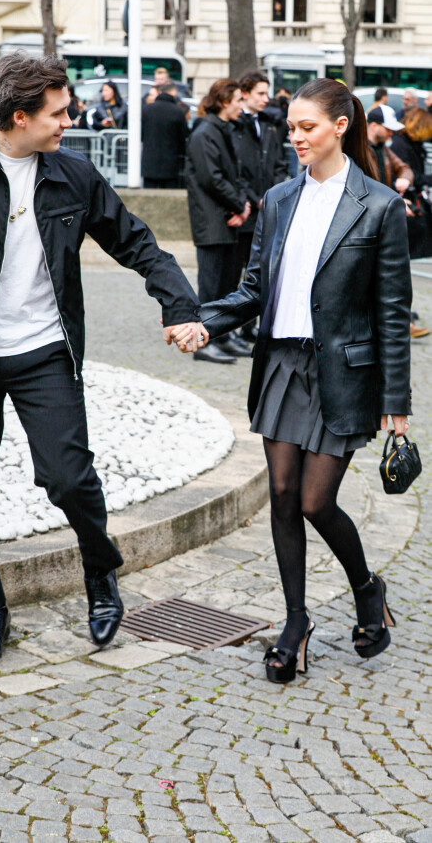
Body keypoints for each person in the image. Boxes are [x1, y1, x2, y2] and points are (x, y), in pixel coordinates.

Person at [0, 52, 207, 668]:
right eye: (56, 113)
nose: (68, 120)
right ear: (18, 117)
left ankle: (100, 573)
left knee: (69, 477)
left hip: (44, 354)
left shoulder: (73, 175)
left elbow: (136, 242)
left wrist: (180, 307)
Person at [171, 78, 411, 681]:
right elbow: (255, 287)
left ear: (338, 126)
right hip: (281, 362)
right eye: (290, 126)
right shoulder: (279, 199)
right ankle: (296, 621)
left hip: (341, 371)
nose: (295, 136)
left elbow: (390, 312)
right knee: (280, 495)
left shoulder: (378, 206)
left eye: (307, 126)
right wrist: (204, 321)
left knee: (314, 501)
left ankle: (367, 588)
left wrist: (396, 405)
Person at [185, 78, 251, 364]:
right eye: (238, 100)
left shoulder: (222, 130)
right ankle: (202, 343)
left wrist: (239, 207)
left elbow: (230, 175)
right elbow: (211, 179)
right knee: (210, 288)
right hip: (212, 221)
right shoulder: (205, 133)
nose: (242, 105)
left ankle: (220, 337)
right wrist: (239, 205)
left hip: (224, 220)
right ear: (224, 102)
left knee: (226, 285)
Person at [231, 69, 288, 350]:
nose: (266, 99)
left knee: (260, 270)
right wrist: (256, 198)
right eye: (261, 94)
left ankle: (249, 328)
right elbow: (237, 169)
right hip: (246, 209)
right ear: (245, 94)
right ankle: (235, 328)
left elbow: (278, 162)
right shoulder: (236, 126)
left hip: (267, 207)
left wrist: (274, 193)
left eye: (267, 93)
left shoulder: (268, 125)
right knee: (240, 270)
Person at [391, 108, 432, 323]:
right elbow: (403, 174)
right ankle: (401, 314)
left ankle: (404, 312)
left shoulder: (408, 144)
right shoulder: (400, 145)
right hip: (403, 205)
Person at [142, 82, 189, 188]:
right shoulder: (178, 112)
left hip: (149, 163)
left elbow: (141, 134)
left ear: (160, 92)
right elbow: (183, 137)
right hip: (170, 163)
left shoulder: (147, 110)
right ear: (174, 93)